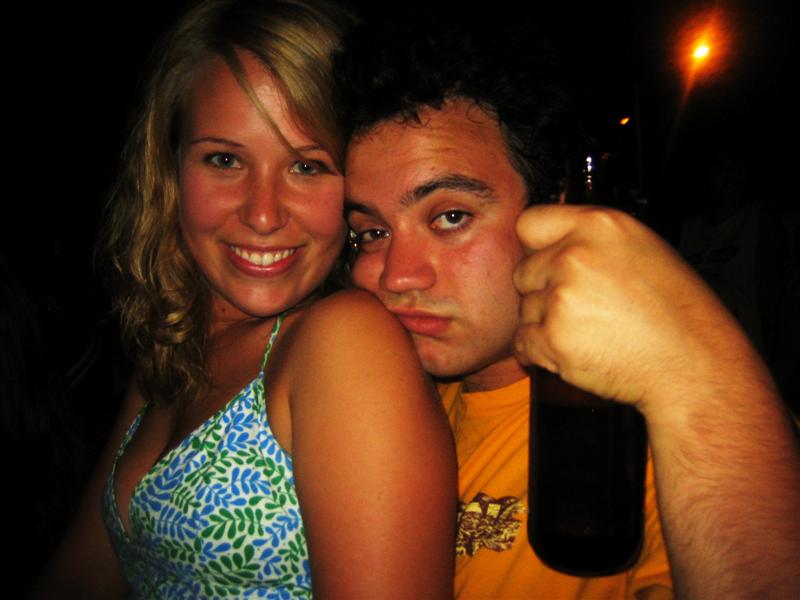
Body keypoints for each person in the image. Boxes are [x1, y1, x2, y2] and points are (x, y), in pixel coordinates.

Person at [337, 15, 800, 600]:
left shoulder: (679, 440)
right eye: (373, 232)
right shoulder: (375, 407)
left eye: (450, 216)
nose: (397, 275)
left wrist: (699, 378)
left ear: (556, 211)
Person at [32, 1, 456, 598]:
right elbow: (82, 576)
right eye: (225, 159)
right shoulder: (175, 349)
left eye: (307, 166)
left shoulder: (345, 340)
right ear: (170, 169)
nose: (262, 214)